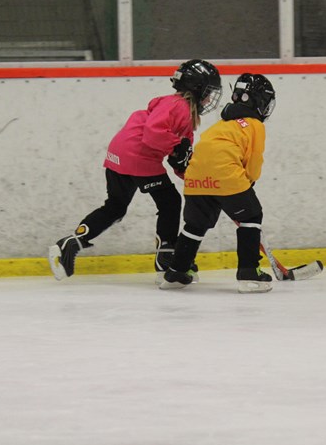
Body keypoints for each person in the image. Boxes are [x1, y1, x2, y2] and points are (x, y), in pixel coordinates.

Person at [49, 59, 222, 281]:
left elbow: (180, 159)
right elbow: (153, 133)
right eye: (208, 92)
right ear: (196, 88)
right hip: (138, 156)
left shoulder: (178, 110)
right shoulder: (179, 105)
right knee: (170, 202)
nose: (209, 99)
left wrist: (195, 177)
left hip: (118, 155)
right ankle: (166, 257)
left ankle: (71, 242)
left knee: (115, 207)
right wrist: (177, 147)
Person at [159, 73, 277, 294]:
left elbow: (207, 153)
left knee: (195, 226)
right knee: (251, 217)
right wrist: (248, 182)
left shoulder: (221, 125)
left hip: (195, 179)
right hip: (227, 177)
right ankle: (249, 274)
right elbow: (253, 161)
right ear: (260, 102)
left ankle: (175, 273)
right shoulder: (254, 125)